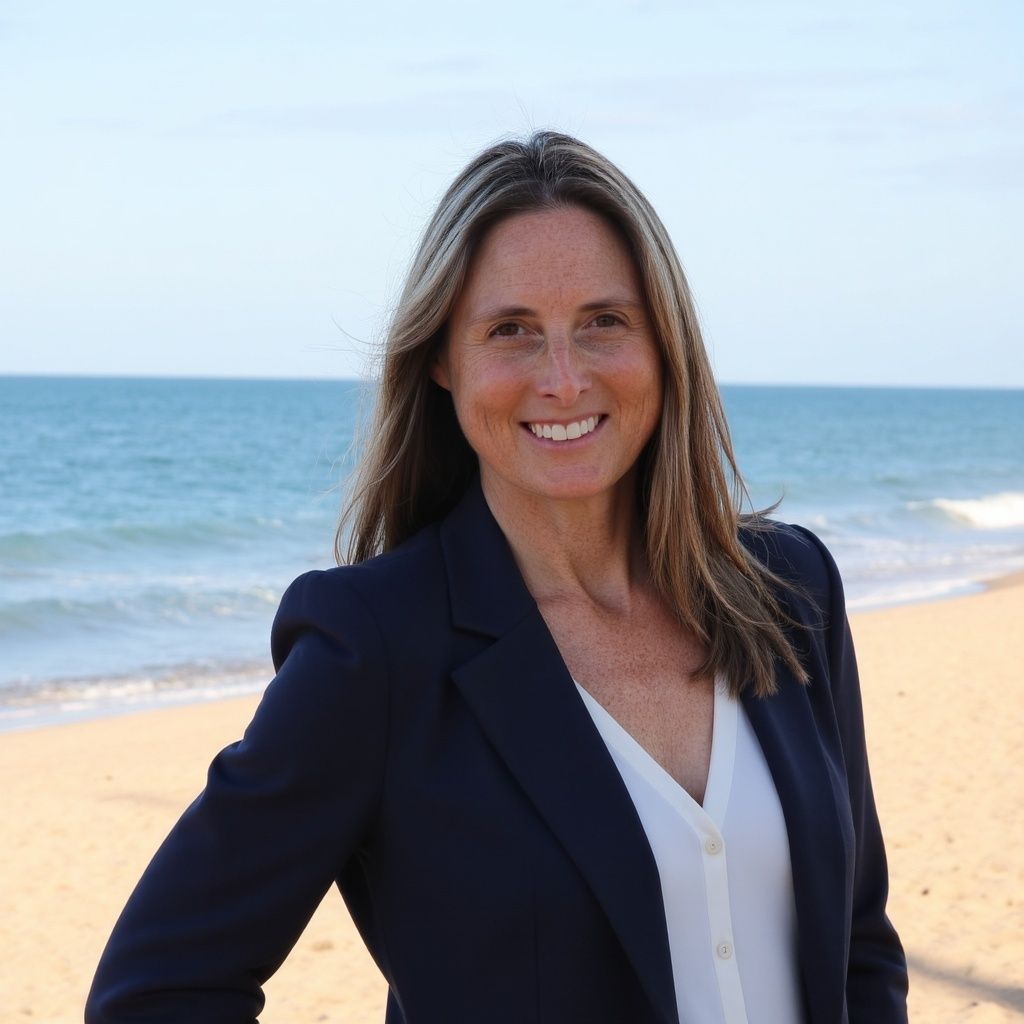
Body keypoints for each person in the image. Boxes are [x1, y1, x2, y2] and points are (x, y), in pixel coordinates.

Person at [85, 131, 908, 1024]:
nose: (564, 378)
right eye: (511, 330)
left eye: (604, 321)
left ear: (665, 343)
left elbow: (859, 945)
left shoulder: (791, 591)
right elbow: (155, 991)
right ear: (443, 360)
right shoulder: (376, 648)